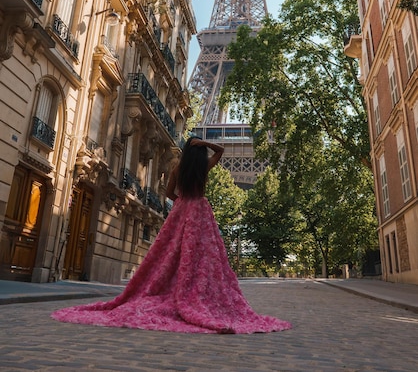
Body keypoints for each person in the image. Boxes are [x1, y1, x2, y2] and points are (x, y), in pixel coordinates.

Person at [51, 137, 291, 334]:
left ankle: (172, 287)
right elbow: (222, 151)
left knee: (172, 251)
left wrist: (180, 204)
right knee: (203, 254)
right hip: (200, 210)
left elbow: (167, 193)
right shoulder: (202, 167)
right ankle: (198, 292)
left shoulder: (178, 169)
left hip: (183, 209)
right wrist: (205, 144)